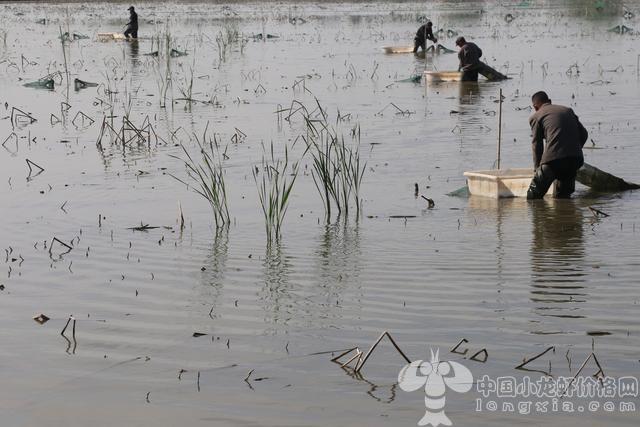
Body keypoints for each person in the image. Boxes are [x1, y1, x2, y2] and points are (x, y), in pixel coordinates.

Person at [526, 91, 588, 199]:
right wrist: (574, 149)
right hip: (575, 159)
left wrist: (537, 169)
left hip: (553, 161)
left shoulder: (536, 116)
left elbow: (537, 144)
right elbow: (584, 134)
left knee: (533, 197)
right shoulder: (568, 110)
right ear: (549, 101)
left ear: (535, 107)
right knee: (563, 197)